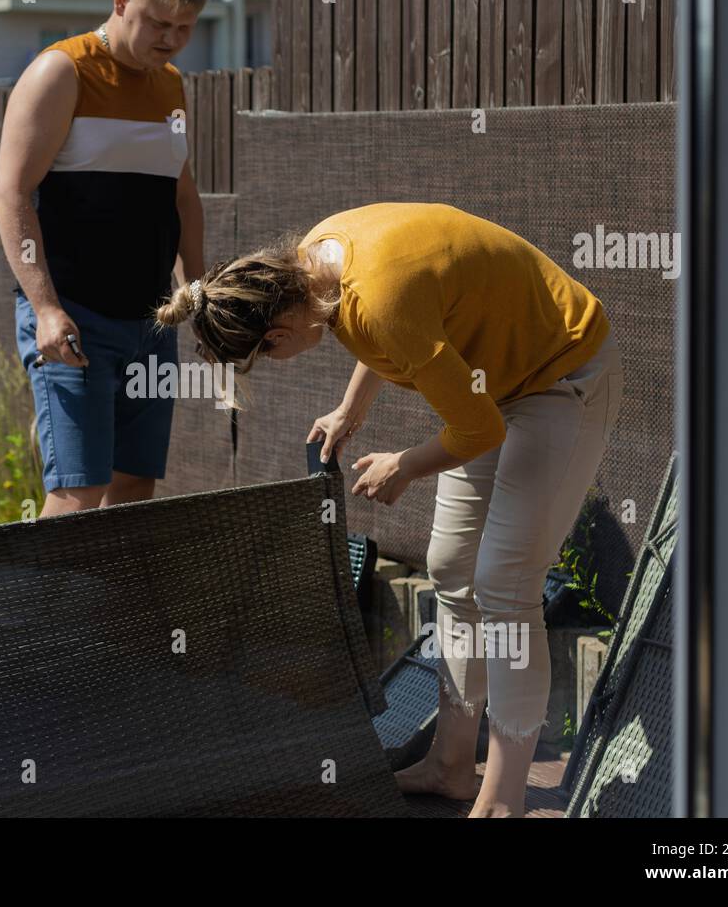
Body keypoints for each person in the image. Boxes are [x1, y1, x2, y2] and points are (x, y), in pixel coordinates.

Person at [154, 202, 624, 817]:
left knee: (506, 584)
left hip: (562, 375)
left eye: (264, 357)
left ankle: (503, 800)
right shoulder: (320, 257)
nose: (275, 364)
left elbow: (474, 428)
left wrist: (403, 466)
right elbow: (384, 332)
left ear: (277, 334)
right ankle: (453, 767)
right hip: (494, 379)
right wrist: (352, 409)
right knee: (453, 568)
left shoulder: (377, 296)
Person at [0, 0, 211, 517]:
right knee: (77, 493)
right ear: (120, 2)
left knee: (134, 487)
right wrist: (44, 308)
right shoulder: (60, 72)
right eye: (158, 23)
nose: (170, 39)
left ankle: (113, 607)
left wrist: (198, 291)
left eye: (184, 28)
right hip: (75, 319)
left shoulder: (171, 86)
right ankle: (45, 609)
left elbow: (181, 194)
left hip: (153, 323)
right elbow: (9, 195)